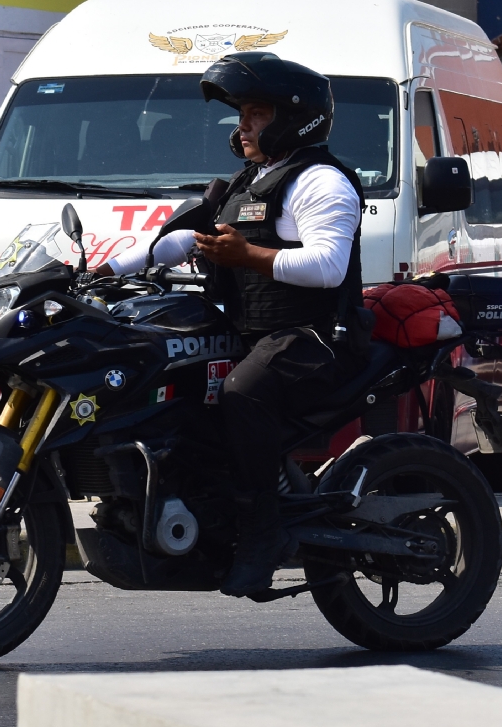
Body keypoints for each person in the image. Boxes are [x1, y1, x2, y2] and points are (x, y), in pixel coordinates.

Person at [96, 52, 364, 596]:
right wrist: (102, 270)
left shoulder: (320, 182)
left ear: (294, 118)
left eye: (256, 114)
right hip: (251, 332)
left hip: (311, 337)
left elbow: (328, 266)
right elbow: (181, 241)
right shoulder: (250, 181)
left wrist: (251, 259)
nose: (241, 125)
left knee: (242, 395)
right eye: (241, 113)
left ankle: (261, 537)